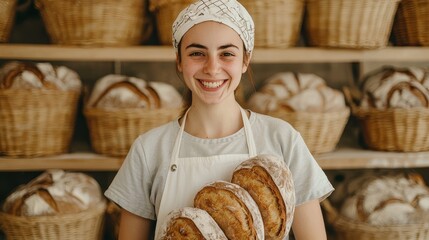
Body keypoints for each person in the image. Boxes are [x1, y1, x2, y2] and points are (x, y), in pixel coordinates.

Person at [104, 0, 334, 239]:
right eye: (197, 53)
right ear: (179, 61)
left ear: (245, 60)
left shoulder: (283, 140)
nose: (212, 68)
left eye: (226, 54)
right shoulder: (148, 150)